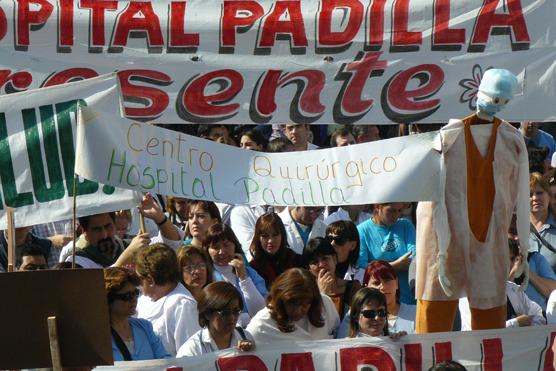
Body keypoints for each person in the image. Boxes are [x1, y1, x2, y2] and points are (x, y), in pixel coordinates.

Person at [59, 194, 183, 268]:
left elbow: (174, 244)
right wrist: (127, 256)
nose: (104, 235)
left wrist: (159, 218)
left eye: (108, 226)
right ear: (83, 230)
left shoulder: (128, 244)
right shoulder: (76, 262)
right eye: (97, 229)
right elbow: (98, 290)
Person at [135, 243, 200, 356]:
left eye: (139, 279)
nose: (138, 284)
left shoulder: (183, 306)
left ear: (150, 280)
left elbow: (190, 357)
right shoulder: (142, 300)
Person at [246, 268, 340, 343]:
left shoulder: (325, 304)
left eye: (305, 304)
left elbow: (338, 338)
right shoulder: (260, 326)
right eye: (292, 304)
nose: (298, 311)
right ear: (279, 299)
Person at [205, 223, 267, 327]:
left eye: (226, 245)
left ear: (235, 246)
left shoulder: (250, 273)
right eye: (215, 247)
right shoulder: (206, 276)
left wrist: (243, 278)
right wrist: (245, 318)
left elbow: (261, 311)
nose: (222, 252)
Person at [104, 267, 171, 361]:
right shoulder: (98, 335)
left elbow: (165, 359)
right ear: (109, 299)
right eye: (127, 296)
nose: (134, 299)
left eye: (136, 293)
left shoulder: (145, 326)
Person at [357, 203, 416, 304]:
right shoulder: (362, 230)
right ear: (377, 207)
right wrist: (394, 266)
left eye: (399, 210)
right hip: (377, 302)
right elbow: (362, 268)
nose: (397, 215)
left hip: (408, 300)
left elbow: (413, 257)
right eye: (391, 211)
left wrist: (378, 265)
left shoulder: (406, 225)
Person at [176, 282, 255, 357]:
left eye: (236, 311)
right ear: (207, 314)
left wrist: (253, 352)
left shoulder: (246, 337)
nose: (231, 317)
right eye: (224, 312)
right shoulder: (192, 351)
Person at [303, 237, 361, 319]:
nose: (321, 265)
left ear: (334, 259)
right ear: (309, 268)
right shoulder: (304, 293)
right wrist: (322, 293)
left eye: (325, 258)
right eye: (315, 262)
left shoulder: (353, 288)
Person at [249, 212, 302, 289]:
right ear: (258, 238)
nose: (270, 240)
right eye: (265, 236)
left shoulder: (296, 260)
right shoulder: (253, 268)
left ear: (282, 235)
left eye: (275, 235)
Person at [363, 260, 416, 334]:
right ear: (366, 288)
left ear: (397, 283)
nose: (383, 287)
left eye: (387, 281)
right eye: (376, 283)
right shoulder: (355, 315)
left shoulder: (416, 313)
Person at [529, 172, 556, 271]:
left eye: (539, 193)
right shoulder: (514, 230)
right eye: (530, 194)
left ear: (549, 195)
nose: (535, 198)